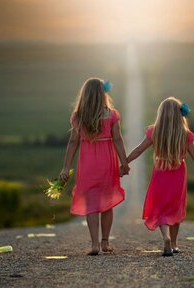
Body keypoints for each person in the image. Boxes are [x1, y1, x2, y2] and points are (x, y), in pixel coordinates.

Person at [126, 97, 194, 256]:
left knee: (161, 209)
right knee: (175, 208)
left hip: (160, 171)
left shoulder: (154, 131)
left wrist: (124, 162)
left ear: (161, 114)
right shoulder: (185, 134)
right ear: (179, 114)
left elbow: (139, 150)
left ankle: (166, 238)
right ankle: (174, 244)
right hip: (178, 173)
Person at [59, 78, 130, 255]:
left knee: (91, 203)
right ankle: (105, 242)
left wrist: (66, 167)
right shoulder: (112, 115)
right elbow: (118, 140)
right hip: (107, 161)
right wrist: (124, 162)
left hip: (88, 163)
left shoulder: (78, 116)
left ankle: (94, 244)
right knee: (107, 202)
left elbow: (73, 142)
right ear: (103, 93)